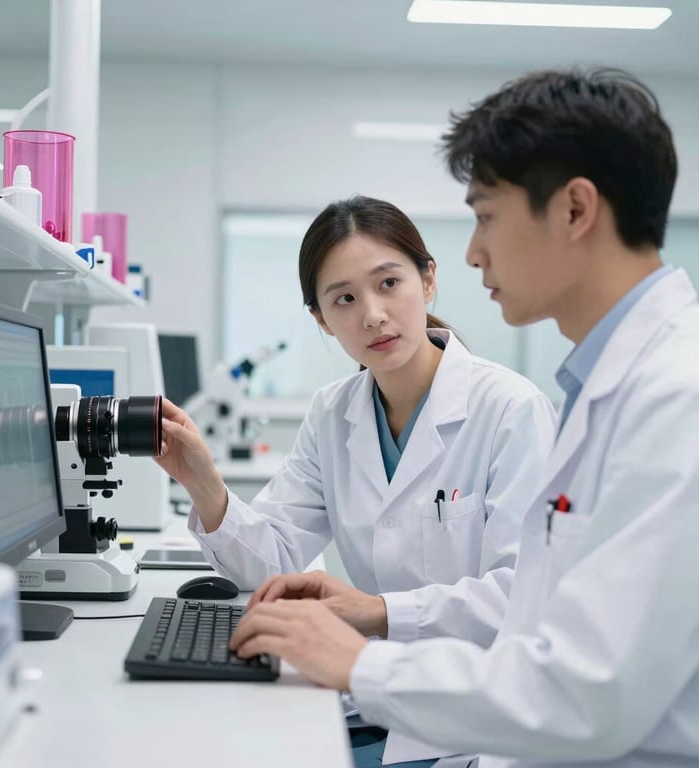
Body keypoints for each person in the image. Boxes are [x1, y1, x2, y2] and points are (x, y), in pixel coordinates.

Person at [229, 68, 699, 768]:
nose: (474, 251)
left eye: (485, 215)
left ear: (575, 211)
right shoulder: (613, 386)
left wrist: (361, 661)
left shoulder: (674, 397)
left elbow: (585, 695)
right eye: (344, 300)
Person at [156, 195, 556, 764]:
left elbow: (524, 596)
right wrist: (203, 483)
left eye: (389, 283)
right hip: (376, 699)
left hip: (472, 720)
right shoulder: (332, 412)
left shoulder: (510, 409)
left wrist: (375, 611)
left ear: (428, 281)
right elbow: (271, 558)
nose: (372, 314)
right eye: (344, 298)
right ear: (321, 318)